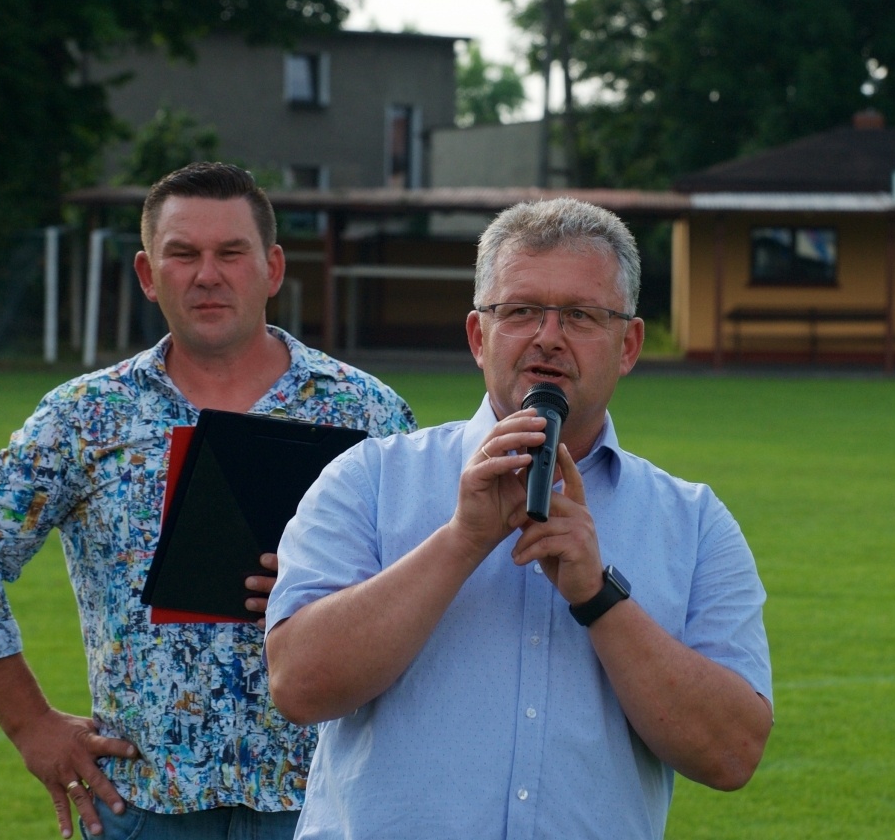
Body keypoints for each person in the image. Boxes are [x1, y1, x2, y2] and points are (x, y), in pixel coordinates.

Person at [0, 162, 416, 840]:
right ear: (149, 275)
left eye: (230, 253)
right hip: (145, 804)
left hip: (325, 800)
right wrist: (32, 726)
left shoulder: (364, 411)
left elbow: (433, 579)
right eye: (183, 254)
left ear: (272, 269)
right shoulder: (86, 416)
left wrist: (341, 591)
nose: (207, 274)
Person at [265, 197, 772, 840]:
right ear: (479, 335)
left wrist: (598, 596)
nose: (549, 336)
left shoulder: (694, 522)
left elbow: (731, 755)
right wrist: (462, 540)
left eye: (582, 316)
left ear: (629, 345)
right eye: (522, 311)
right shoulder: (369, 478)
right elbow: (299, 685)